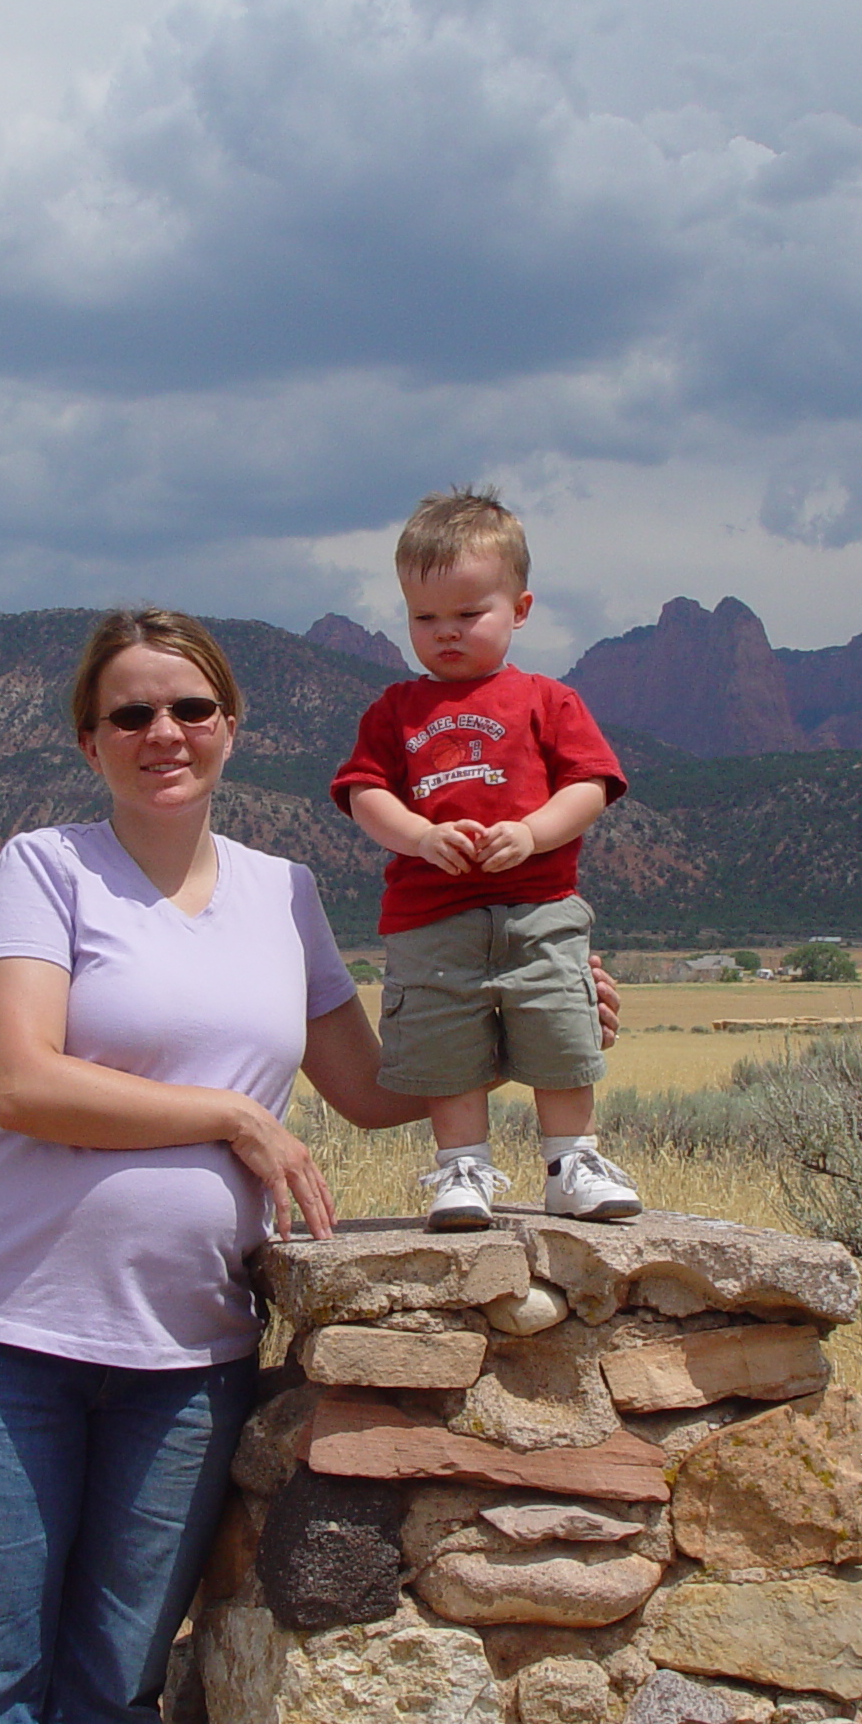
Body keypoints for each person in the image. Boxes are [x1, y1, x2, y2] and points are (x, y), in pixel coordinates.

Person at [0, 606, 614, 1724]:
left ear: (231, 726)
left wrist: (536, 1016)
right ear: (90, 742)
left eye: (190, 709)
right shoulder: (45, 866)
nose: (162, 732)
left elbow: (378, 1086)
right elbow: (23, 1084)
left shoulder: (284, 893)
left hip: (184, 1362)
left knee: (111, 1697)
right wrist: (233, 1116)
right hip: (0, 1341)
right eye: (130, 713)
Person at [331, 486, 641, 1232]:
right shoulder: (394, 710)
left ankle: (572, 1162)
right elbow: (364, 793)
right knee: (446, 1042)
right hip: (430, 917)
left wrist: (533, 834)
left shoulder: (547, 700)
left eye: (469, 614)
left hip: (540, 908)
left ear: (520, 609)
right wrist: (417, 836)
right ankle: (462, 1168)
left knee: (560, 1030)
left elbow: (591, 785)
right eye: (424, 617)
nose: (445, 633)